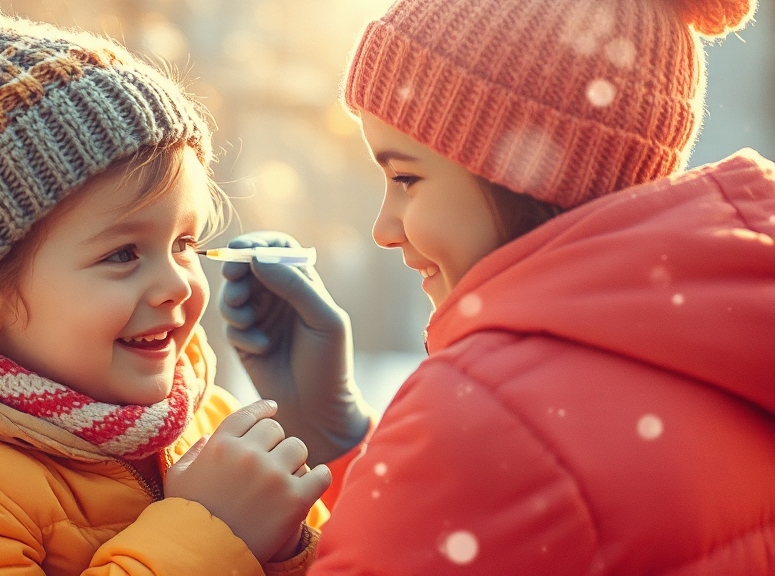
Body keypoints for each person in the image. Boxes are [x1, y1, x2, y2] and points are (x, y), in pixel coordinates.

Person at [219, 0, 775, 573]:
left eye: (406, 178)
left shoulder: (485, 422)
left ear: (529, 172)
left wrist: (207, 540)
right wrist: (346, 449)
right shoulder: (719, 349)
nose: (383, 229)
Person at [0, 0, 332, 574]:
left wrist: (287, 545)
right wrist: (212, 533)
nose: (177, 284)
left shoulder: (202, 422)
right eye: (123, 254)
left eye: (183, 243)